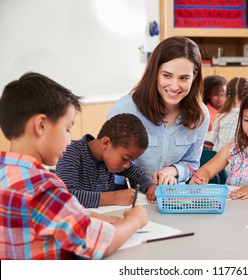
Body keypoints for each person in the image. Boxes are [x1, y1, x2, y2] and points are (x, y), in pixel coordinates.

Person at [0, 72, 147, 259]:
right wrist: (135, 221)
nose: (69, 140)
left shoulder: (7, 173)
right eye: (67, 129)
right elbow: (100, 243)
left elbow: (62, 214)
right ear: (41, 125)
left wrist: (108, 219)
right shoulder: (42, 187)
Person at [107, 36, 209, 189]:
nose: (174, 86)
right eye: (167, 76)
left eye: (184, 78)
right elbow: (109, 159)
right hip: (127, 194)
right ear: (155, 72)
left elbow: (192, 163)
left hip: (171, 195)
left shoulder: (200, 115)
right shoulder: (127, 108)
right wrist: (145, 182)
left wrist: (172, 171)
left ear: (194, 76)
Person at [56, 113, 158, 207]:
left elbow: (138, 176)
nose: (127, 165)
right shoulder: (70, 151)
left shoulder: (110, 159)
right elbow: (65, 196)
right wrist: (114, 197)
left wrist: (150, 186)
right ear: (106, 143)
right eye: (125, 158)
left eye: (131, 160)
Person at [212, 77, 248, 152]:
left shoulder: (220, 116)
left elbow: (213, 140)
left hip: (218, 159)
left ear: (227, 94)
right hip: (238, 160)